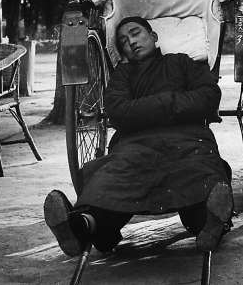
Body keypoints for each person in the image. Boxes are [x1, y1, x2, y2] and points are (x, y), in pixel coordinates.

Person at [44, 16, 233, 257]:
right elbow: (118, 111)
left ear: (153, 37)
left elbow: (208, 96)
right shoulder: (122, 75)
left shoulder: (181, 63)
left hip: (187, 140)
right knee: (111, 178)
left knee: (200, 173)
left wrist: (147, 108)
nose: (131, 42)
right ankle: (79, 226)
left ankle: (210, 224)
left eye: (135, 34)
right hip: (135, 145)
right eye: (124, 41)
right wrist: (174, 104)